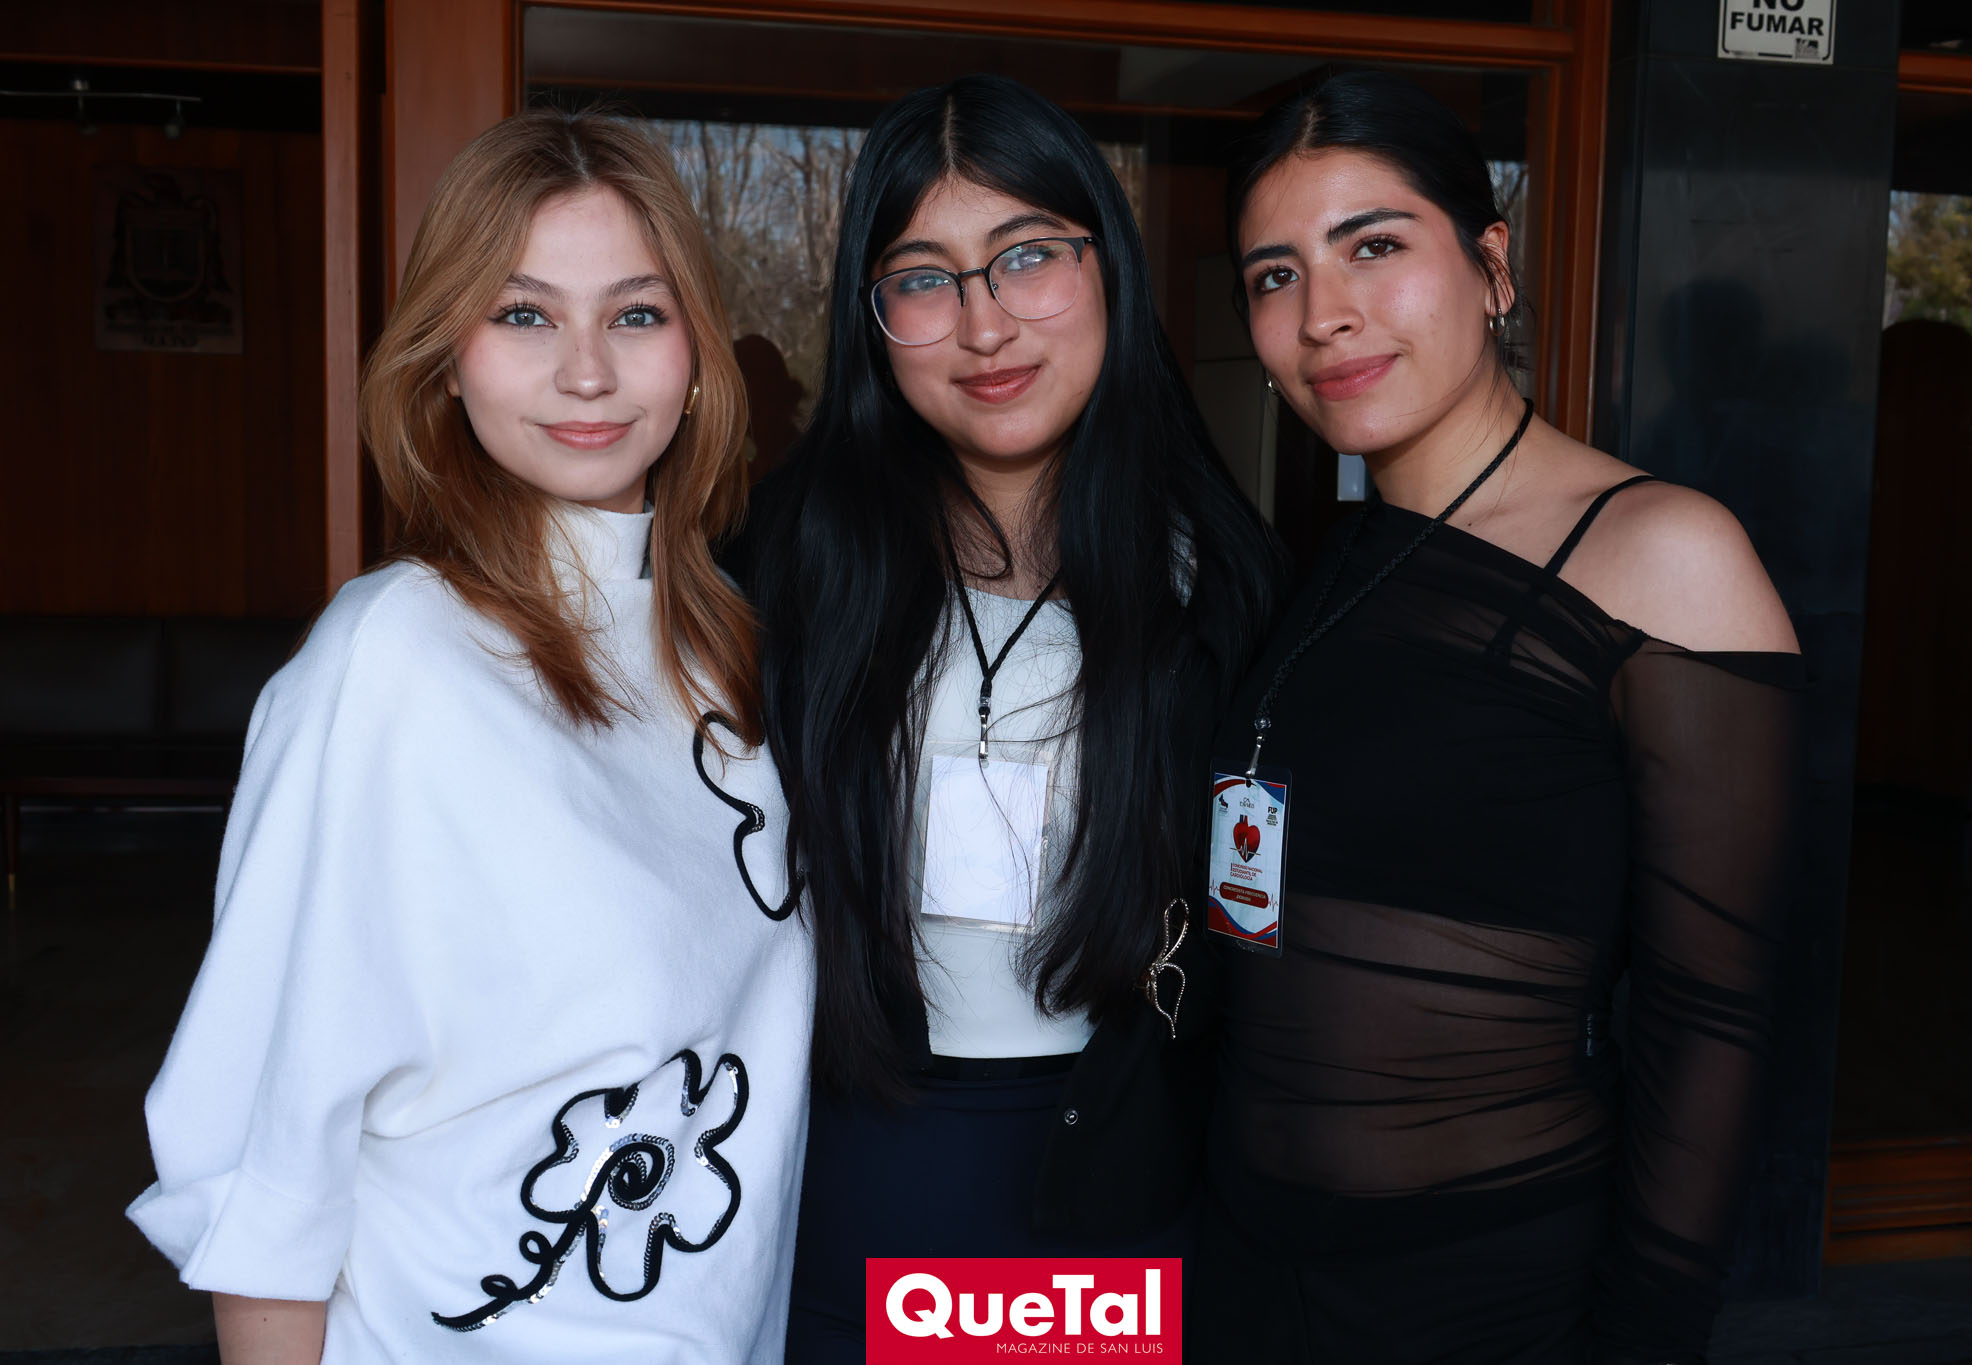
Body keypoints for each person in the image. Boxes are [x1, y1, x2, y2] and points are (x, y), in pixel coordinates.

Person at [126, 110, 812, 1362]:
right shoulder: (393, 659)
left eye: (636, 313)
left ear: (699, 355)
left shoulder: (723, 646)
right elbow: (266, 1155)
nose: (587, 373)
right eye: (524, 314)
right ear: (446, 358)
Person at [1192, 71, 1802, 1364]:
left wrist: (1644, 1341)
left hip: (1483, 1289)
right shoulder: (1341, 557)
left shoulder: (1658, 551)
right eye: (1275, 274)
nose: (1324, 313)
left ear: (1491, 265)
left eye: (1373, 246)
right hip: (1251, 1269)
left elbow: (1711, 1019)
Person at [736, 74, 1282, 1362]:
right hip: (853, 1149)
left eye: (1028, 256)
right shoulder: (782, 573)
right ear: (872, 318)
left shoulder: (1221, 583)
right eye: (924, 279)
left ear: (1107, 266)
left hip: (1115, 1163)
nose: (984, 326)